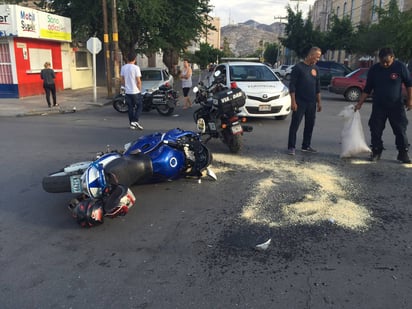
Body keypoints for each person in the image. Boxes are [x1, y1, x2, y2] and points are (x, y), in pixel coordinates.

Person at [355, 47, 412, 163]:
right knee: (375, 129)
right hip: (379, 106)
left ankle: (403, 153)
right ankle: (376, 151)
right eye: (382, 62)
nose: (385, 64)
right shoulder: (374, 69)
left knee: (400, 130)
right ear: (379, 59)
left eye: (387, 62)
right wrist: (359, 103)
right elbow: (367, 88)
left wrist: (410, 100)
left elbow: (409, 84)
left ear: (393, 58)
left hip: (396, 106)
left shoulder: (400, 67)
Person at [287, 47, 322, 155]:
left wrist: (319, 102)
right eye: (317, 57)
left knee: (310, 124)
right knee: (295, 125)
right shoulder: (298, 68)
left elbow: (317, 87)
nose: (318, 59)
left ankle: (306, 145)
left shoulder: (316, 69)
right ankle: (291, 147)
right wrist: (293, 102)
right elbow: (292, 86)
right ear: (311, 55)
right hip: (300, 101)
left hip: (311, 103)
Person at [120, 51, 143, 130]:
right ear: (135, 59)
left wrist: (125, 86)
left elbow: (122, 80)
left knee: (130, 107)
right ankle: (135, 120)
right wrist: (139, 90)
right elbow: (138, 81)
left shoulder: (123, 67)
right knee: (139, 106)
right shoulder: (136, 68)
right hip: (135, 91)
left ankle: (131, 124)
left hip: (128, 91)